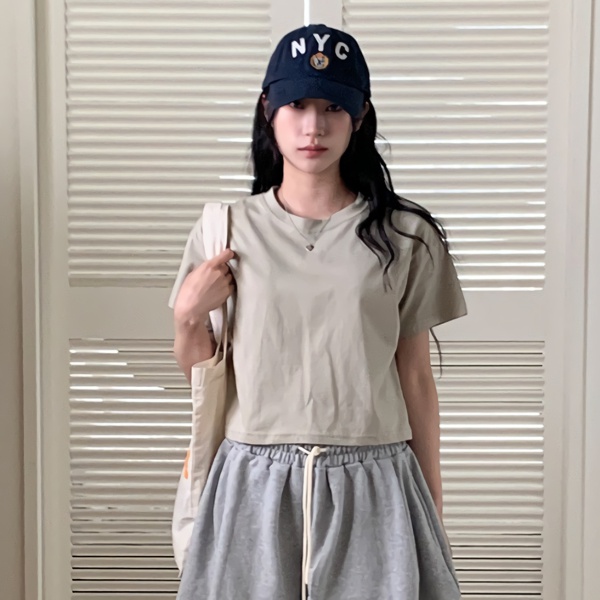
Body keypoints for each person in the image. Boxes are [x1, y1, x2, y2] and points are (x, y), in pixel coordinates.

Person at [169, 23, 467, 600]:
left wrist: (431, 506)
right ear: (269, 110)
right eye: (297, 105)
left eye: (333, 107)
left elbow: (415, 379)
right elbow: (203, 376)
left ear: (359, 116)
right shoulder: (225, 230)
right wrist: (186, 316)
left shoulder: (406, 236)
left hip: (375, 478)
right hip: (253, 481)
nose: (314, 126)